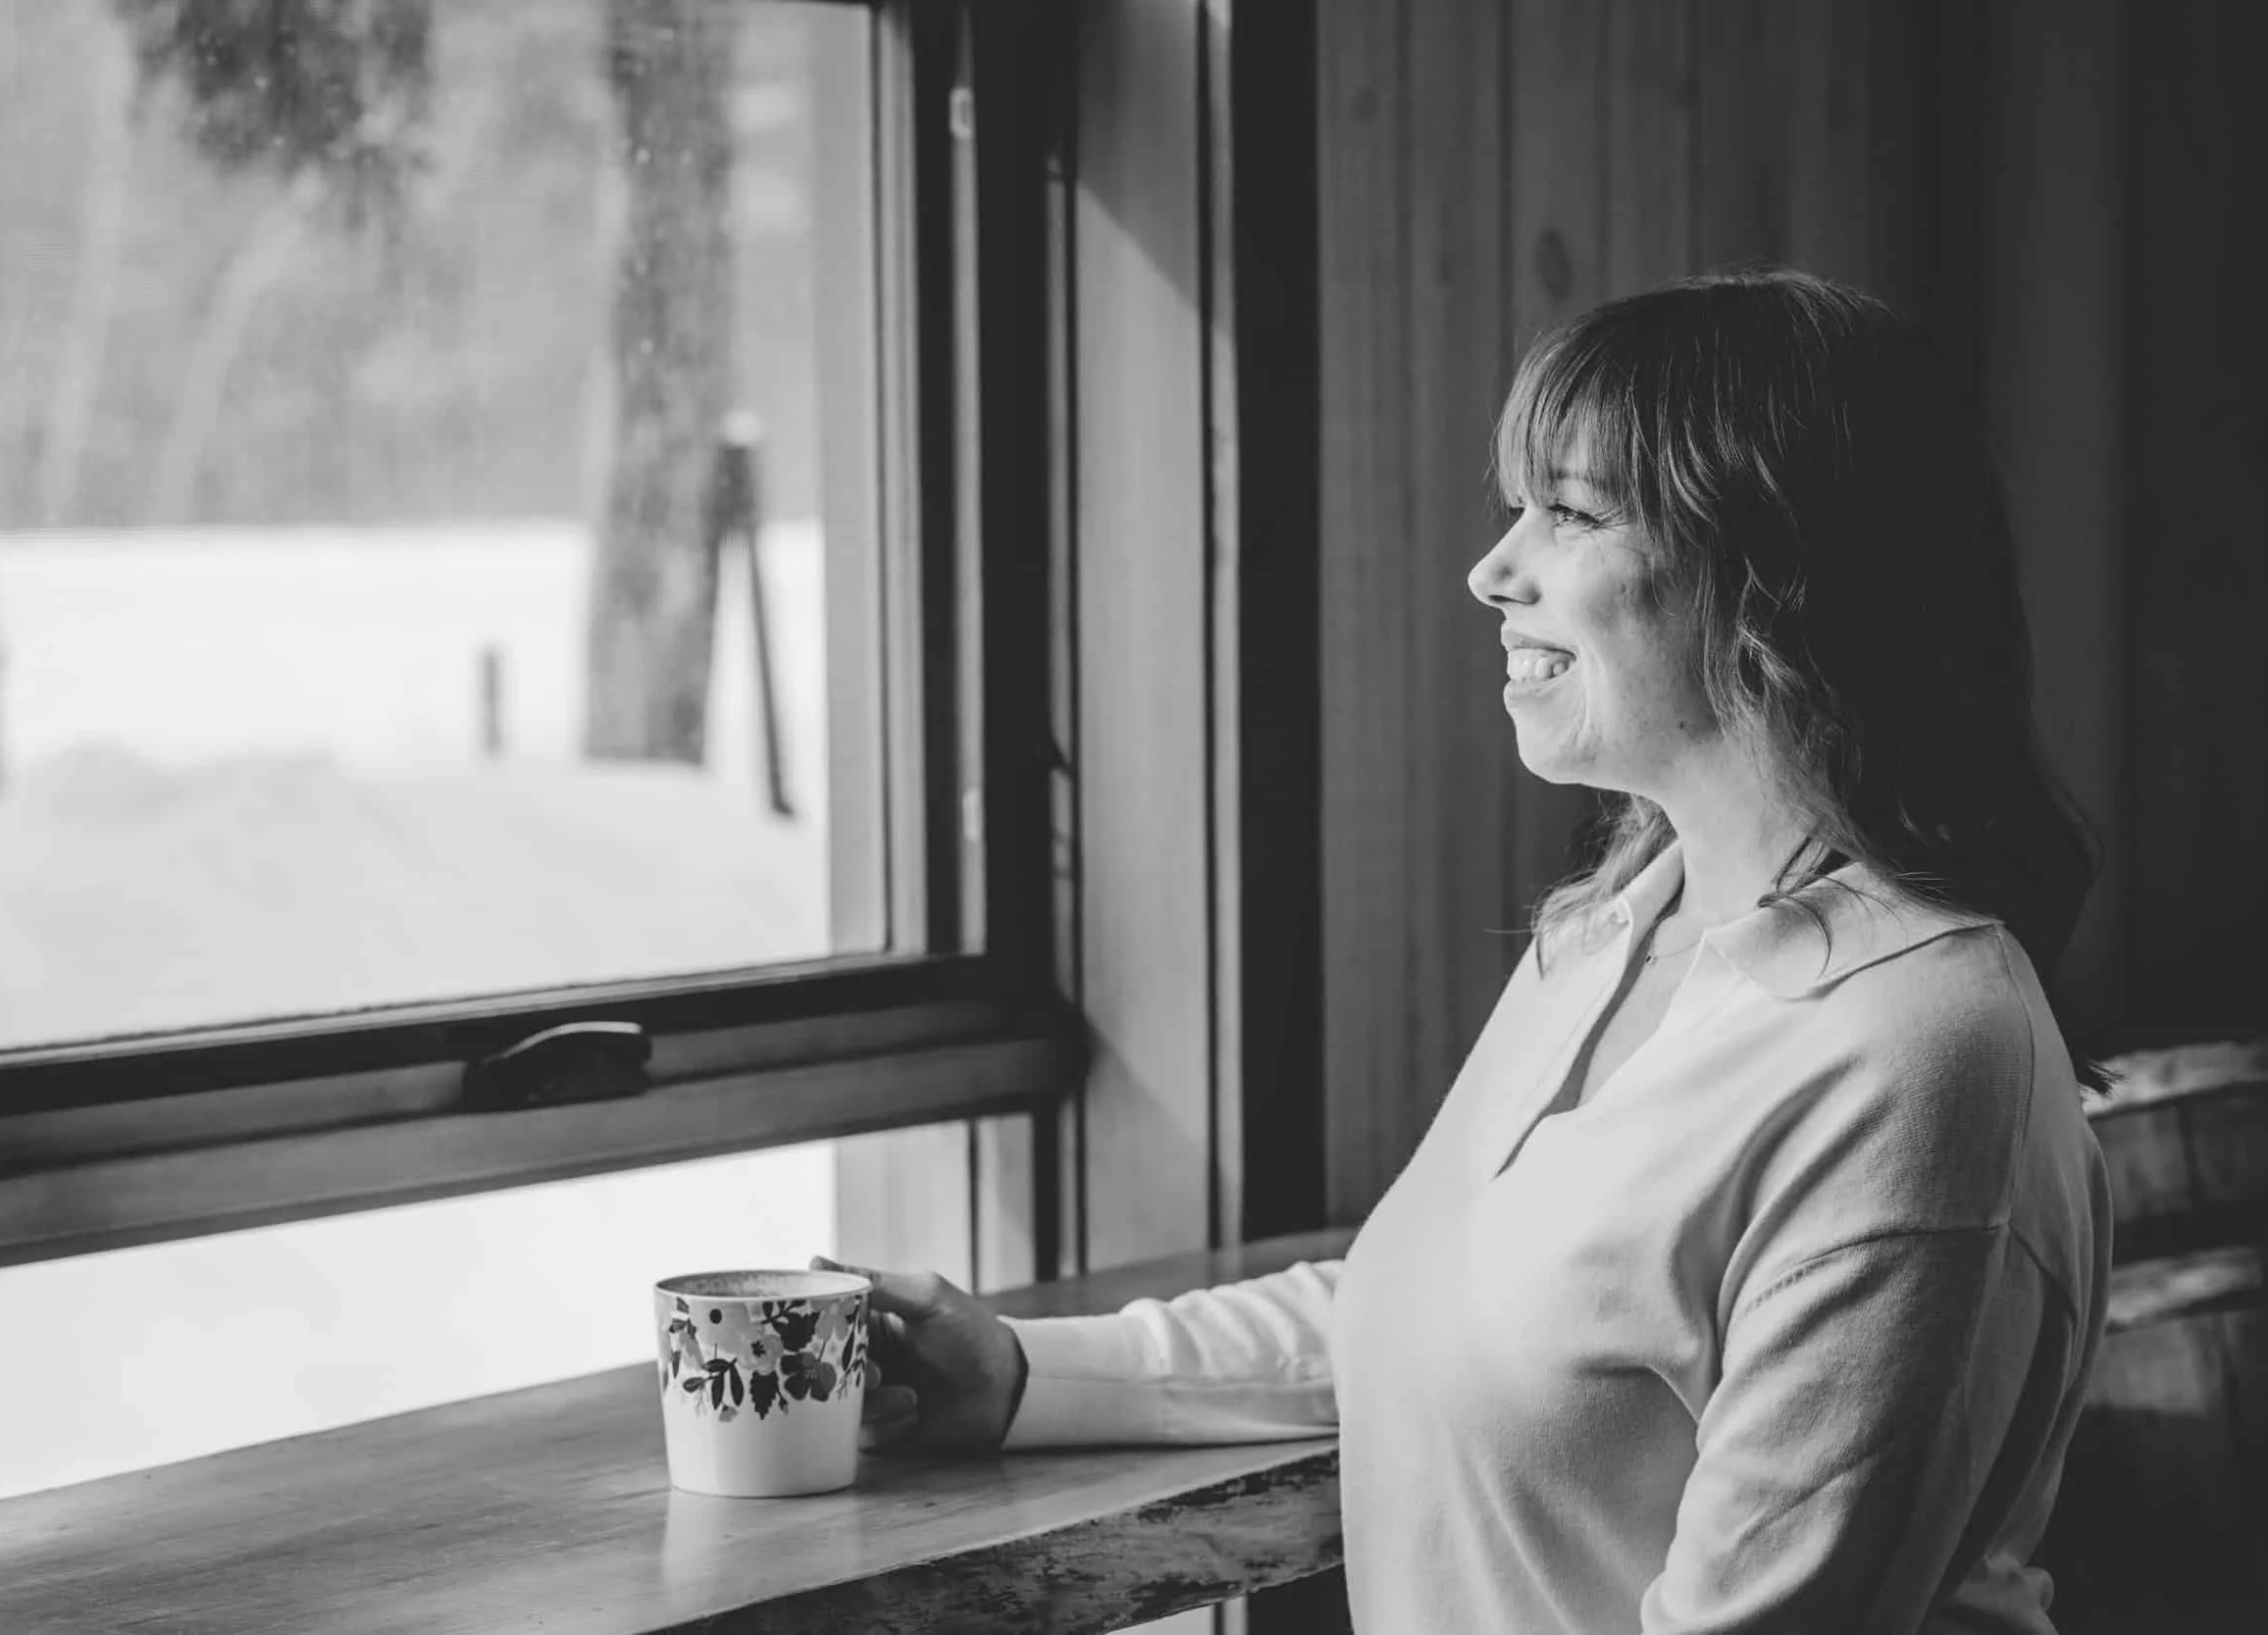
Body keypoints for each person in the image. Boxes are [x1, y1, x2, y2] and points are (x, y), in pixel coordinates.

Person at [815, 269, 2114, 1634]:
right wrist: (1023, 1372)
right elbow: (1446, 1308)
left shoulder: (1919, 1048)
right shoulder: (1609, 932)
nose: (1494, 570)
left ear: (1771, 575)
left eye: (1569, 511)